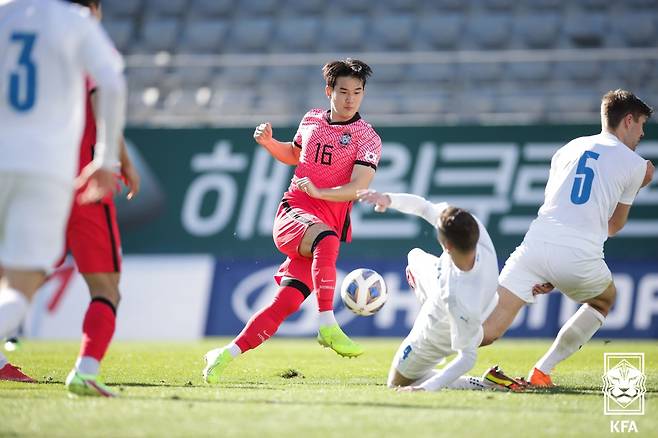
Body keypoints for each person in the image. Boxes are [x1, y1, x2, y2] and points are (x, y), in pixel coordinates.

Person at [203, 59, 382, 384]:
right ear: (329, 90)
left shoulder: (367, 137)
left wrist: (321, 191)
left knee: (283, 304)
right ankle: (327, 324)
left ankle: (223, 355)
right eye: (343, 91)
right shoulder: (311, 119)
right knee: (327, 239)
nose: (349, 99)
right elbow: (294, 154)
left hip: (320, 227)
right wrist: (270, 143)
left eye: (357, 92)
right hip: (293, 214)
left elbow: (358, 188)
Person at [481, 89, 654, 387]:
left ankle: (421, 352)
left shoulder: (568, 148)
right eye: (641, 125)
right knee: (604, 300)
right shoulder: (636, 165)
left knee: (488, 330)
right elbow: (614, 226)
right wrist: (639, 184)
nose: (642, 133)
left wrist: (549, 267)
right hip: (578, 253)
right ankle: (542, 371)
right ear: (628, 120)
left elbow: (555, 203)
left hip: (534, 245)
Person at [0, 0, 126, 388]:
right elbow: (111, 83)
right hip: (55, 172)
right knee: (29, 282)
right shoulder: (75, 22)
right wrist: (109, 159)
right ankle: (86, 371)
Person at [357, 190, 523, 392]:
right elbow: (424, 206)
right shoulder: (472, 227)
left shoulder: (458, 297)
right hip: (453, 289)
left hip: (439, 330)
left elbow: (467, 358)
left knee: (396, 383)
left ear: (447, 245)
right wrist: (388, 200)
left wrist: (426, 388)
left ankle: (486, 383)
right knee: (415, 257)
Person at [58, 0, 139, 398]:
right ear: (93, 8)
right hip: (85, 184)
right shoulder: (88, 46)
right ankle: (86, 370)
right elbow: (103, 100)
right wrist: (120, 161)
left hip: (35, 181)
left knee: (18, 282)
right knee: (107, 289)